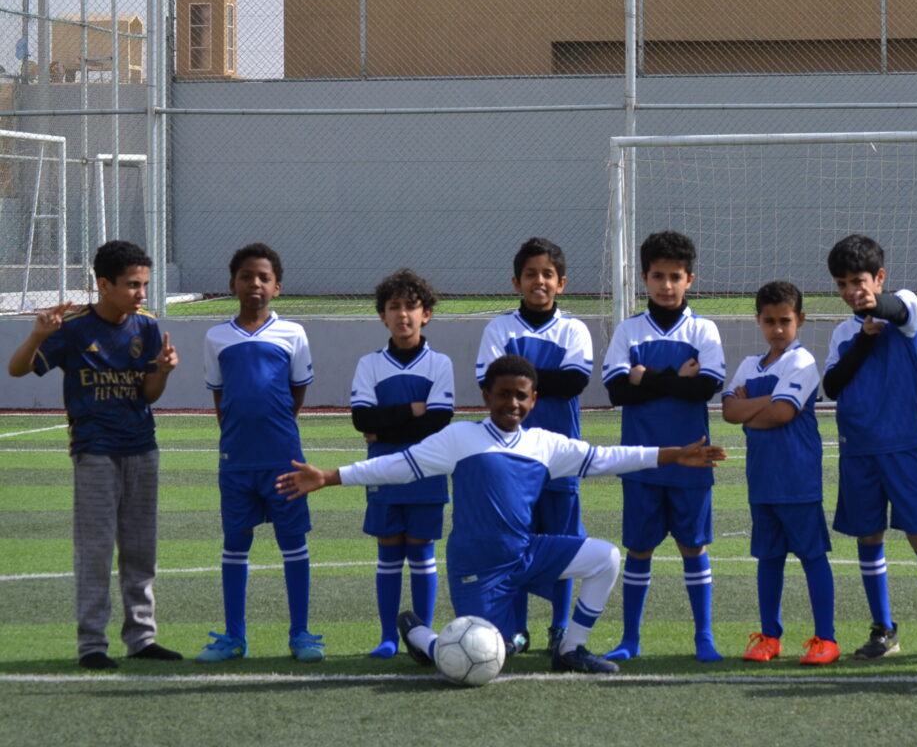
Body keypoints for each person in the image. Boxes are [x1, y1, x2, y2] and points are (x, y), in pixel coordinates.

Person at [276, 354, 727, 675]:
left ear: (534, 400)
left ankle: (570, 649)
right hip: (478, 568)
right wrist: (329, 476)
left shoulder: (544, 444)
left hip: (527, 554)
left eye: (521, 396)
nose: (513, 403)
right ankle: (420, 635)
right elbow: (398, 466)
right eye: (504, 394)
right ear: (486, 395)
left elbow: (607, 457)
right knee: (479, 661)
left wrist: (673, 455)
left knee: (606, 557)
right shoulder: (459, 439)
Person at [7, 240, 181, 669]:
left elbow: (148, 394)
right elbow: (17, 368)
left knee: (141, 550)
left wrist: (162, 371)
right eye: (133, 285)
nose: (141, 293)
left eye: (144, 284)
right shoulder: (73, 328)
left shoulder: (147, 327)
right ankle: (92, 645)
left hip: (142, 448)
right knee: (96, 550)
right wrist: (38, 335)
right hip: (95, 452)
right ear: (104, 285)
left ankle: (141, 637)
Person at [823, 233, 917, 661]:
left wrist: (875, 309)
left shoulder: (904, 310)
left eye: (859, 281)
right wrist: (863, 336)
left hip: (901, 447)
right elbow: (832, 385)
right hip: (857, 450)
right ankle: (883, 629)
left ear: (879, 278)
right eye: (843, 284)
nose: (852, 291)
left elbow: (896, 308)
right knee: (869, 537)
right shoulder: (842, 334)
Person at [600, 230, 726, 662]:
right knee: (639, 549)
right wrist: (675, 378)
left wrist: (646, 376)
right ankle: (630, 639)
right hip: (640, 459)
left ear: (690, 279)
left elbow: (704, 388)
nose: (666, 285)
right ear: (644, 278)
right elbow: (618, 392)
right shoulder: (629, 329)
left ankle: (704, 637)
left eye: (675, 277)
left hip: (692, 458)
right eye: (658, 276)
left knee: (694, 546)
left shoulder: (703, 329)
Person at [196, 242, 321, 663]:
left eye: (264, 277)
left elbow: (297, 392)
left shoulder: (293, 333)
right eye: (246, 276)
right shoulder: (216, 337)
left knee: (293, 542)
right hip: (236, 461)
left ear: (277, 287)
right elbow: (219, 396)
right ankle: (234, 637)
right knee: (235, 542)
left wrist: (275, 430)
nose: (255, 283)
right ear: (232, 284)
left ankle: (301, 634)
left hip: (283, 459)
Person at [475, 237, 593, 657]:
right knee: (514, 546)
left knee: (561, 546)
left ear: (562, 283)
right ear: (516, 282)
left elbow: (574, 381)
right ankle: (517, 629)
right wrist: (543, 378)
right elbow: (488, 382)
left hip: (559, 458)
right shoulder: (499, 328)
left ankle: (558, 628)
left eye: (547, 274)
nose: (539, 281)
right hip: (510, 459)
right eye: (530, 274)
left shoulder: (574, 329)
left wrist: (516, 377)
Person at [721, 281, 838, 665]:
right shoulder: (748, 365)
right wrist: (768, 401)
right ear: (758, 320)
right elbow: (729, 412)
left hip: (798, 478)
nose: (777, 329)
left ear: (800, 320)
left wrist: (753, 409)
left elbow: (781, 414)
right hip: (762, 479)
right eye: (769, 321)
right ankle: (769, 637)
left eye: (784, 321)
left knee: (812, 556)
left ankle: (826, 639)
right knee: (768, 558)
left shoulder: (802, 362)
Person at [350, 268, 455, 658]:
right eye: (394, 307)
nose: (403, 314)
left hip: (427, 471)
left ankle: (421, 637)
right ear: (382, 315)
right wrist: (412, 410)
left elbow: (438, 420)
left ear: (426, 314)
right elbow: (362, 419)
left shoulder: (439, 364)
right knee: (389, 551)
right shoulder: (369, 365)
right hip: (382, 469)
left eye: (411, 306)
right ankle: (388, 637)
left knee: (422, 551)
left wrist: (385, 427)